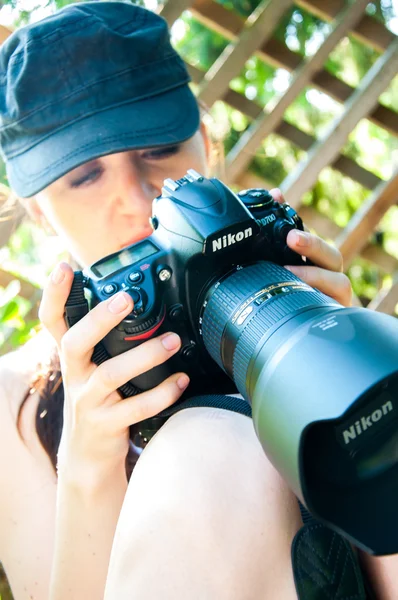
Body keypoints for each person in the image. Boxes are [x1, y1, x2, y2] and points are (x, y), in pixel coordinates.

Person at [1, 2, 389, 599]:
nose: (134, 197)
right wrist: (89, 467)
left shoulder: (277, 273)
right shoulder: (15, 404)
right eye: (85, 176)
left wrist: (342, 350)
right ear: (35, 208)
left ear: (204, 140)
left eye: (157, 149)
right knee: (203, 448)